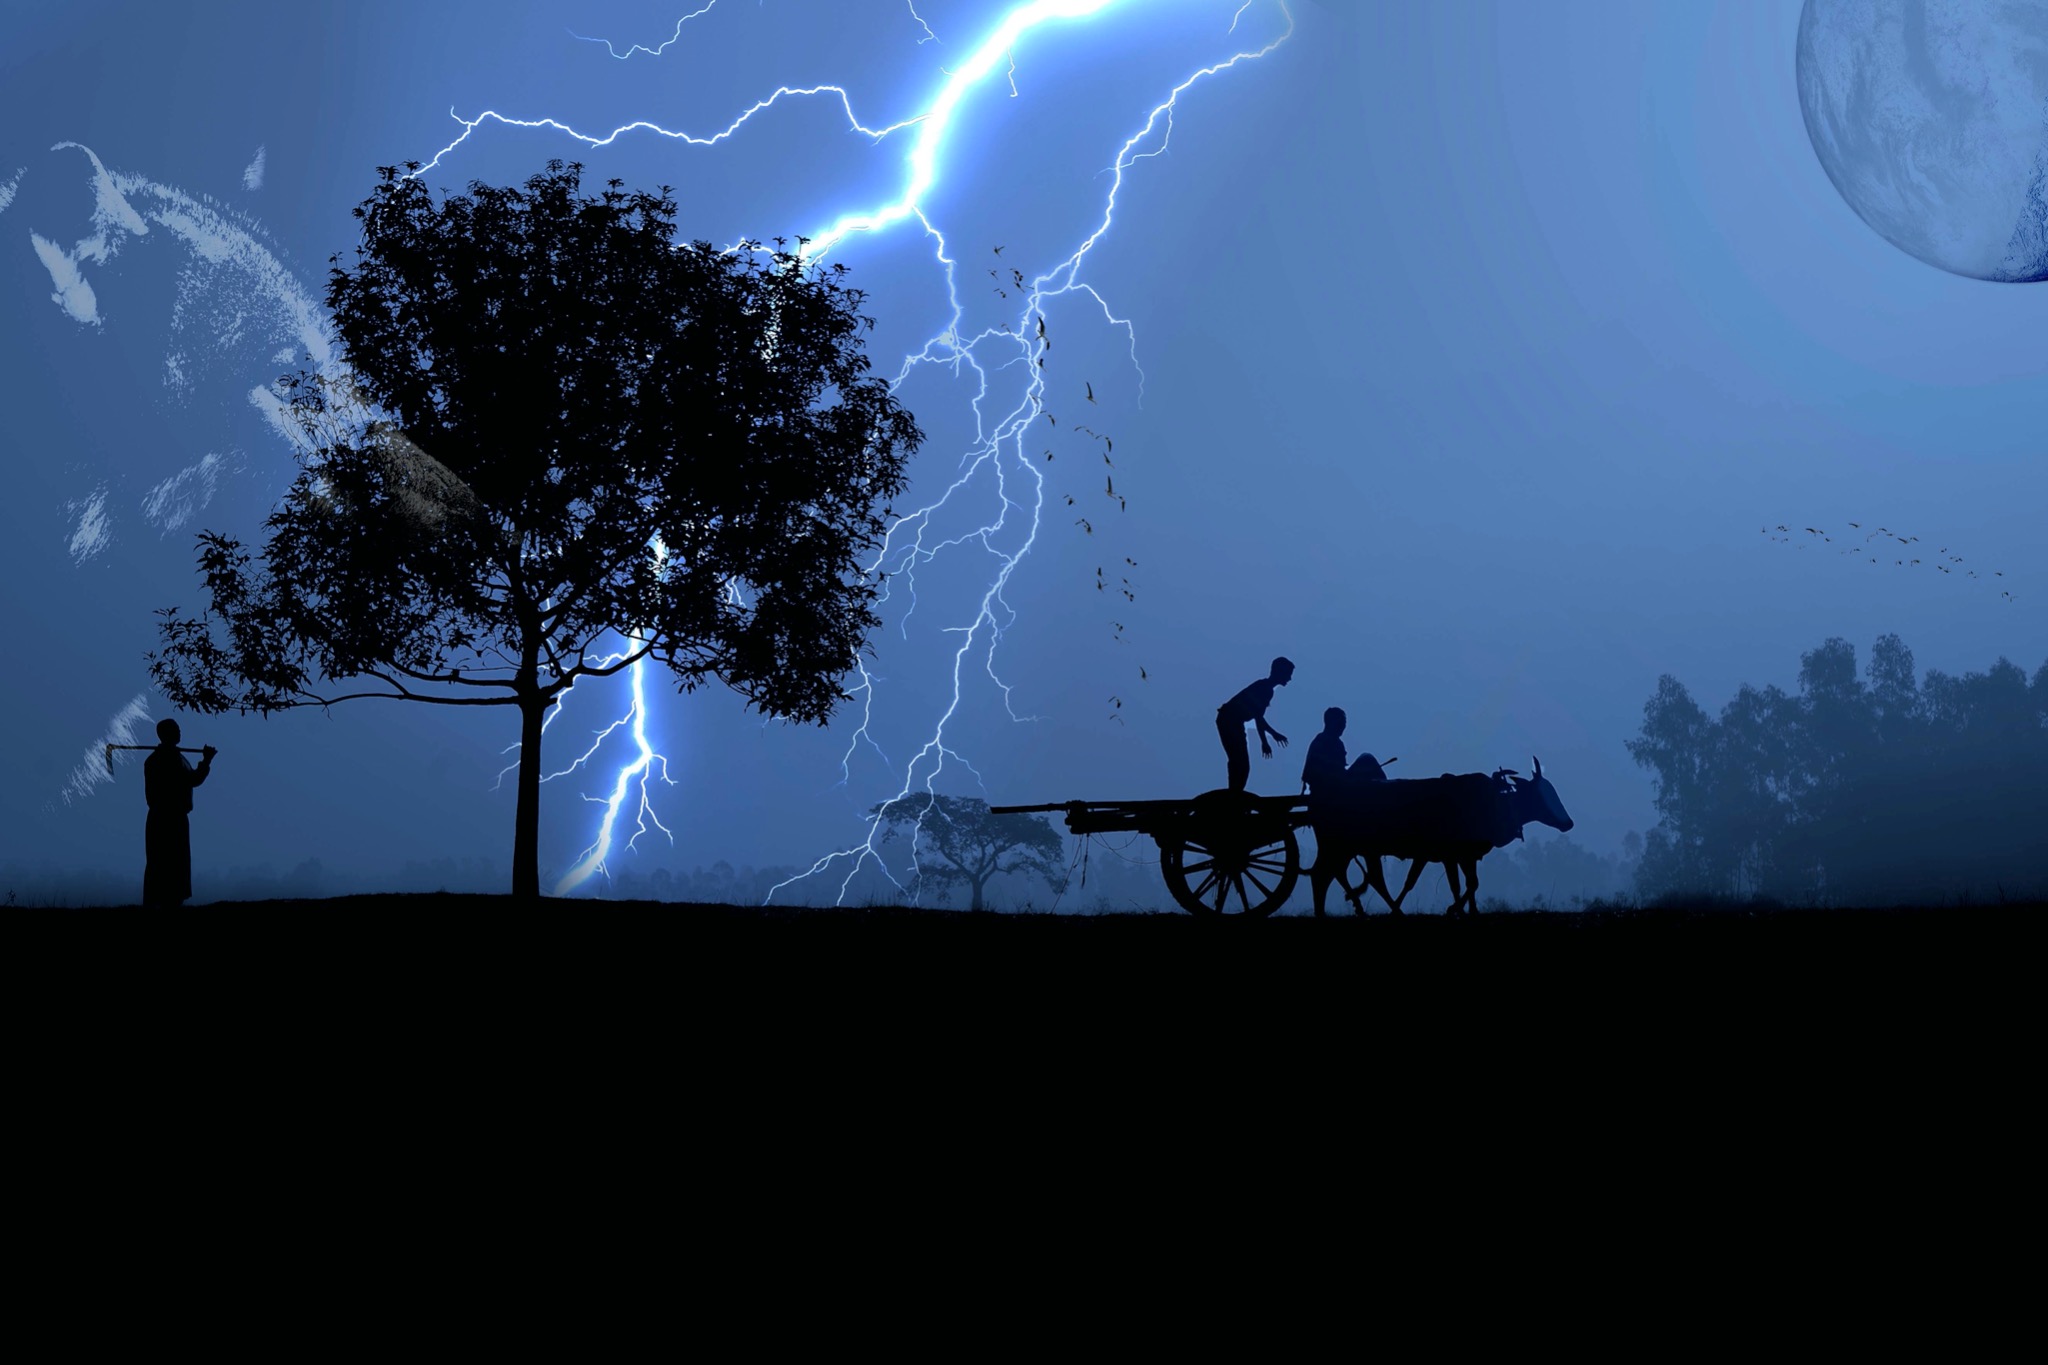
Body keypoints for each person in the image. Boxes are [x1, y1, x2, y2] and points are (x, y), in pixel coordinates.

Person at [142, 718, 215, 908]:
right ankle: (169, 902)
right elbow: (193, 779)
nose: (180, 732)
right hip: (170, 818)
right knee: (172, 862)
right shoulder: (171, 759)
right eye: (176, 730)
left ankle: (163, 901)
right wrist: (206, 761)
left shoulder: (157, 759)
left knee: (162, 861)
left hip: (161, 818)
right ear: (168, 734)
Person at [1216, 656, 1293, 793]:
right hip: (1229, 720)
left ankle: (1235, 792)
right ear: (1280, 672)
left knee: (1241, 762)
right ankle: (1234, 794)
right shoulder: (1264, 689)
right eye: (1288, 674)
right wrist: (1265, 741)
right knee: (1239, 762)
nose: (1289, 678)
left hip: (1233, 722)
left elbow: (1259, 718)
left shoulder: (1266, 688)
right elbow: (1258, 718)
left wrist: (1273, 735)